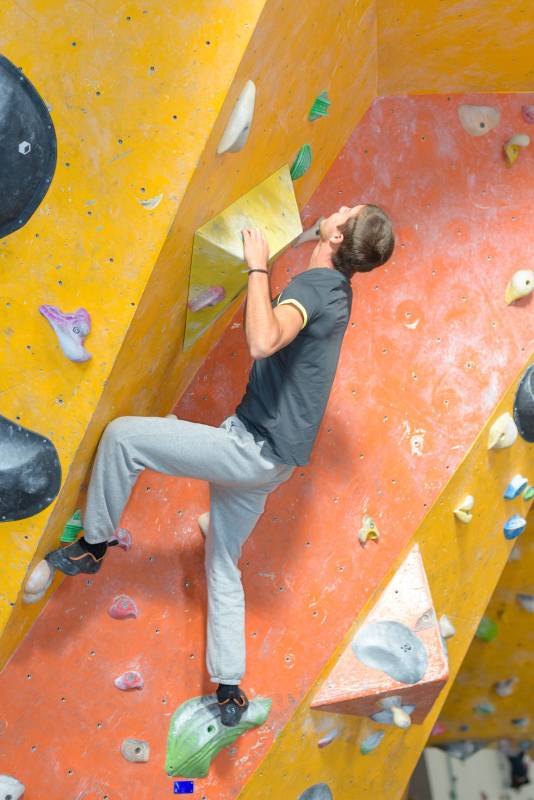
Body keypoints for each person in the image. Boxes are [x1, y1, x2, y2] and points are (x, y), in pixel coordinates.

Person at [46, 203, 394, 726]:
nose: (339, 207)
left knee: (122, 438)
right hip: (273, 461)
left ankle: (93, 545)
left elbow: (262, 341)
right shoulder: (338, 289)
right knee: (222, 561)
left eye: (347, 212)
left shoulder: (316, 288)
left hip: (250, 449)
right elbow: (313, 253)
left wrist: (258, 268)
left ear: (340, 237)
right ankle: (230, 688)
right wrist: (300, 235)